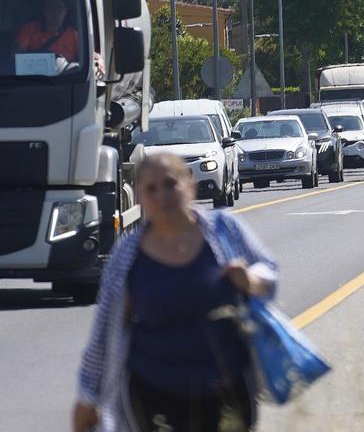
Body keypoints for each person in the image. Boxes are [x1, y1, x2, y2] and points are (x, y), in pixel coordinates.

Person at [74, 152, 277, 432]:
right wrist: (88, 397)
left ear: (189, 185)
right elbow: (104, 331)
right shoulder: (127, 255)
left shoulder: (224, 230)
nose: (162, 195)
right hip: (154, 394)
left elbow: (269, 273)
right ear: (140, 199)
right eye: (151, 189)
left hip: (228, 387)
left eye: (170, 184)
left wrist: (250, 280)